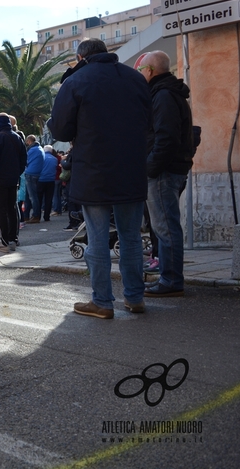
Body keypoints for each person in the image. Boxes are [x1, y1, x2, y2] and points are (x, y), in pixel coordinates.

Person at [48, 38, 151, 319]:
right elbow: (149, 121)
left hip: (94, 170)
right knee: (130, 237)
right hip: (130, 168)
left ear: (81, 57)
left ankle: (102, 302)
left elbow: (60, 130)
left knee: (96, 238)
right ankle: (135, 297)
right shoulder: (135, 78)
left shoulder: (77, 81)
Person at [138, 50, 194, 298]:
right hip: (167, 169)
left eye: (141, 70)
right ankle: (170, 278)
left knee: (166, 228)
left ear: (150, 71)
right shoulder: (168, 93)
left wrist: (149, 168)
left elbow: (165, 138)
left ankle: (171, 280)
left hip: (162, 172)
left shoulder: (163, 96)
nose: (140, 74)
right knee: (166, 227)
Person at [0, 113, 27, 252]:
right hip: (13, 179)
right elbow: (23, 160)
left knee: (1, 210)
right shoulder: (17, 137)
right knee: (12, 208)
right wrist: (16, 173)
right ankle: (12, 238)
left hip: (0, 180)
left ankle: (3, 242)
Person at [23, 135, 44, 224]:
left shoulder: (31, 150)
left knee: (32, 196)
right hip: (37, 174)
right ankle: (26, 216)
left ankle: (36, 215)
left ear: (29, 141)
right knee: (29, 196)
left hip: (30, 174)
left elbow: (25, 161)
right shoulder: (40, 149)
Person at [37, 145, 58, 222]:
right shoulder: (55, 159)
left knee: (39, 198)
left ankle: (37, 215)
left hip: (41, 180)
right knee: (48, 199)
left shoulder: (41, 158)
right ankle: (47, 216)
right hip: (51, 180)